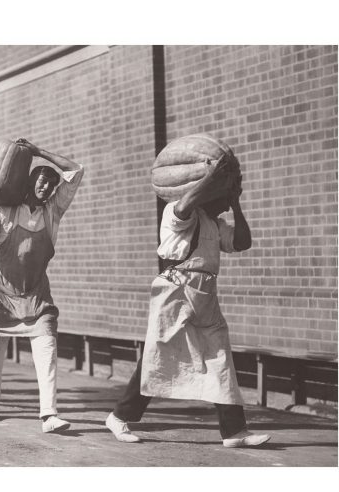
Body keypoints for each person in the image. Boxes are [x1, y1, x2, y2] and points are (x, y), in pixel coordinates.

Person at [105, 157, 271, 448]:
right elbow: (185, 205)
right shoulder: (178, 211)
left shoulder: (215, 224)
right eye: (223, 195)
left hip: (205, 295)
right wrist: (211, 177)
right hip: (175, 292)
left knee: (220, 358)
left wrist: (237, 204)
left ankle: (234, 432)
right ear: (206, 192)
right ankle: (118, 416)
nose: (225, 202)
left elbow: (242, 243)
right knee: (158, 356)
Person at [0, 138, 84, 433]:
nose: (45, 187)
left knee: (47, 347)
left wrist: (39, 152)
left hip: (35, 293)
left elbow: (76, 171)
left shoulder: (53, 211)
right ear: (30, 183)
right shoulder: (5, 212)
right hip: (2, 292)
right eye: (41, 180)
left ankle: (49, 415)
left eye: (50, 184)